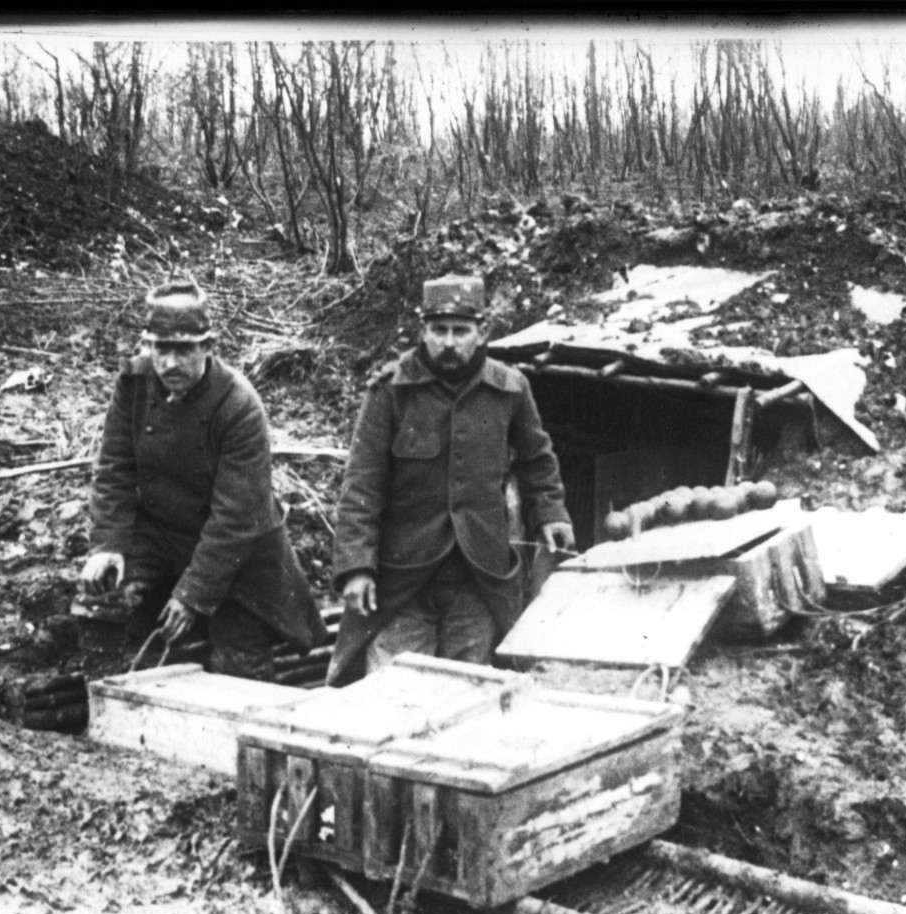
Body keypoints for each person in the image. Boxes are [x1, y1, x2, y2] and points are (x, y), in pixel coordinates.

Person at [327, 274, 574, 686]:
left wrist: (551, 512)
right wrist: (356, 566)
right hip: (402, 577)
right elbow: (361, 487)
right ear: (423, 330)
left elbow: (538, 461)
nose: (449, 342)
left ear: (483, 332)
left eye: (461, 331)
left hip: (479, 575)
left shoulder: (510, 390)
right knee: (394, 691)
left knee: (467, 690)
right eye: (438, 330)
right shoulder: (391, 391)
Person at [78, 278, 328, 681]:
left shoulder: (238, 406)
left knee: (239, 667)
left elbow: (236, 518)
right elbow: (113, 470)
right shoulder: (134, 384)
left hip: (236, 553)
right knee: (106, 600)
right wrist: (108, 544)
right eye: (161, 349)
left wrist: (193, 596)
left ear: (208, 348)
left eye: (184, 350)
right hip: (161, 535)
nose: (171, 363)